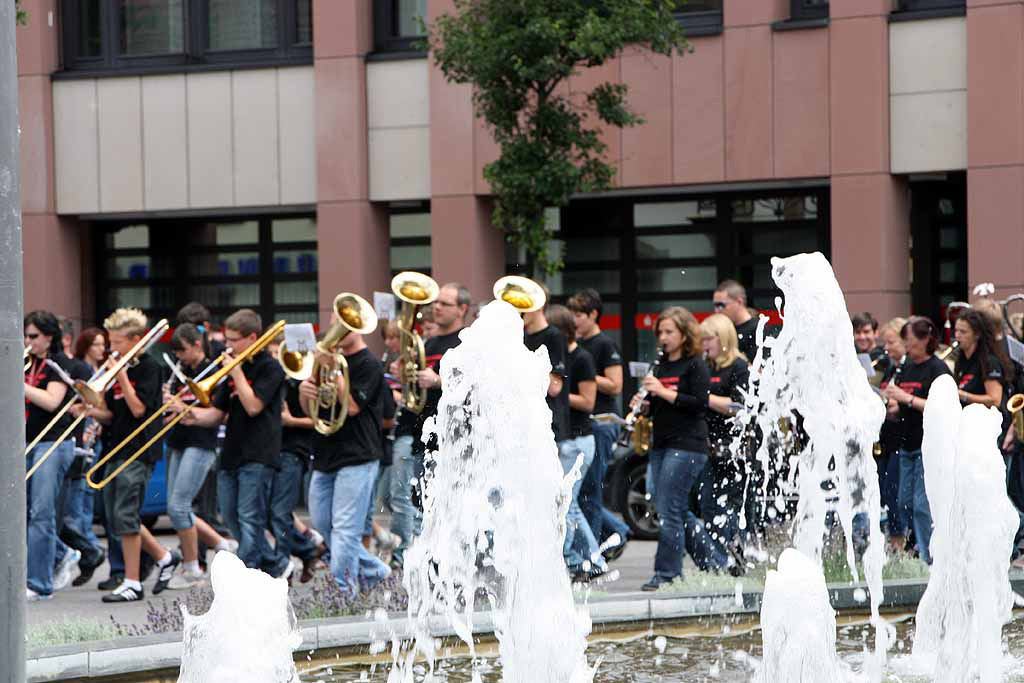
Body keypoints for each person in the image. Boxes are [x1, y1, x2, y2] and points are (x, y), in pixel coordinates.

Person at [78, 308, 180, 602]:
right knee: (115, 516)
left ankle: (133, 582)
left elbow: (139, 410)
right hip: (114, 448)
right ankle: (163, 557)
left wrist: (121, 375)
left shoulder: (149, 368)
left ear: (136, 340)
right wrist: (87, 409)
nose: (113, 349)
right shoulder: (118, 367)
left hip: (138, 450)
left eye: (119, 342)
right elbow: (111, 414)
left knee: (125, 513)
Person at [181, 309, 290, 579]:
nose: (228, 346)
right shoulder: (231, 371)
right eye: (226, 339)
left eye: (233, 340)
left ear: (252, 337)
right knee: (230, 515)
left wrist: (237, 371)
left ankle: (247, 575)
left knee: (249, 516)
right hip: (231, 451)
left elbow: (253, 406)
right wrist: (188, 415)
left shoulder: (271, 367)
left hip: (259, 452)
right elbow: (217, 413)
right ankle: (275, 564)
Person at [638, 307, 737, 591]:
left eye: (669, 332)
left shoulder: (695, 364)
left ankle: (668, 573)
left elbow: (699, 403)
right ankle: (717, 563)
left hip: (688, 444)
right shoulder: (659, 366)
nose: (663, 337)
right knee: (674, 507)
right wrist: (646, 403)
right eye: (661, 332)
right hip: (662, 441)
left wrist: (662, 391)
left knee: (670, 509)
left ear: (684, 334)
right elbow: (659, 404)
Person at [300, 310, 391, 594]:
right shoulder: (326, 363)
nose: (337, 330)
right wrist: (306, 390)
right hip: (325, 454)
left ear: (359, 329)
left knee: (345, 529)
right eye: (334, 324)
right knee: (323, 524)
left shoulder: (369, 365)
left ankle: (344, 592)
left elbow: (351, 406)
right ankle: (376, 570)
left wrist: (335, 370)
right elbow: (310, 411)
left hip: (358, 455)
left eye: (346, 325)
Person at [390, 283, 470, 567]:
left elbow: (474, 385)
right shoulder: (428, 344)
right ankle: (431, 565)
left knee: (455, 507)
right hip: (425, 435)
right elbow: (414, 395)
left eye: (444, 304)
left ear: (462, 309)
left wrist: (438, 381)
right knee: (424, 504)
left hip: (457, 438)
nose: (435, 307)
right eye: (435, 302)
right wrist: (405, 376)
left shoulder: (466, 342)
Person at [163, 324, 236, 590]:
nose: (179, 356)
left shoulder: (213, 370)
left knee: (179, 506)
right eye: (176, 351)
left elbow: (216, 409)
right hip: (178, 439)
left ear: (197, 344)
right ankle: (222, 544)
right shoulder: (180, 371)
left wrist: (182, 406)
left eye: (183, 350)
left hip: (202, 441)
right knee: (174, 507)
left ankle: (192, 567)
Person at [567, 289, 631, 560]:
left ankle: (591, 555)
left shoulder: (604, 344)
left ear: (594, 315)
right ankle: (616, 530)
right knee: (580, 492)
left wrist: (587, 375)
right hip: (583, 423)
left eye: (579, 314)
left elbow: (616, 385)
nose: (574, 319)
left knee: (590, 490)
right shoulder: (575, 344)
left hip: (602, 422)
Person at [883, 316, 951, 564]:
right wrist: (892, 405)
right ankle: (917, 547)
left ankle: (928, 557)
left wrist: (905, 398)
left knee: (923, 505)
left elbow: (940, 406)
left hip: (928, 447)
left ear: (925, 340)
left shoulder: (937, 369)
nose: (906, 346)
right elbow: (899, 403)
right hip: (907, 444)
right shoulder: (906, 367)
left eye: (910, 341)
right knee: (903, 503)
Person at [547, 304, 608, 581]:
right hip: (565, 438)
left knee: (566, 503)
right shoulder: (556, 356)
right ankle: (587, 560)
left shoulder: (581, 358)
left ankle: (582, 560)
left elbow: (588, 402)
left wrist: (554, 394)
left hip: (580, 439)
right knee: (565, 503)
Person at [24, 310, 81, 600]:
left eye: (33, 336)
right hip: (28, 442)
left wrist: (18, 384)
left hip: (54, 442)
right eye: (26, 335)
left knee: (41, 515)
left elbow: (52, 400)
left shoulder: (58, 363)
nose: (28, 341)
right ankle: (63, 553)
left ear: (49, 337)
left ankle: (39, 584)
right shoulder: (27, 362)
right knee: (20, 515)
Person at [265, 335, 326, 585]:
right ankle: (306, 549)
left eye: (275, 354)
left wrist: (291, 421)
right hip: (270, 450)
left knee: (279, 511)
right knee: (270, 512)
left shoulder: (303, 381)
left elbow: (320, 421)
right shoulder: (273, 381)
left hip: (295, 450)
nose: (273, 359)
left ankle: (281, 570)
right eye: (269, 354)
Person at [697, 313, 750, 550]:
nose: (705, 344)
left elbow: (740, 406)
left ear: (723, 338)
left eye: (709, 339)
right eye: (703, 340)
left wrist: (705, 398)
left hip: (733, 445)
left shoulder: (739, 366)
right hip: (706, 442)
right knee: (707, 501)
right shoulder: (704, 366)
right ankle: (719, 554)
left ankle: (735, 550)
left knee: (730, 501)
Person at [65, 327, 109, 586]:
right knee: (79, 496)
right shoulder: (81, 369)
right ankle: (89, 547)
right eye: (97, 344)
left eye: (103, 344)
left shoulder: (98, 371)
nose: (101, 349)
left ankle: (89, 548)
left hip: (94, 437)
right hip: (84, 437)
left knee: (84, 496)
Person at [522, 284, 570, 447]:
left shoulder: (554, 336)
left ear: (539, 305)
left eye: (524, 304)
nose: (520, 310)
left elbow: (555, 387)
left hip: (549, 429)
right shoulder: (520, 337)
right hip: (525, 427)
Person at [877, 317, 907, 547]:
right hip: (886, 438)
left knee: (896, 493)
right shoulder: (890, 367)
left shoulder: (909, 368)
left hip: (902, 439)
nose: (887, 348)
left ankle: (900, 540)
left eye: (892, 342)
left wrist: (897, 404)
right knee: (886, 493)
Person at [713, 280, 761, 362]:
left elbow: (761, 369)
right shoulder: (722, 329)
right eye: (715, 306)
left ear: (739, 302)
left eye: (721, 305)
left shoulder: (758, 329)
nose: (717, 311)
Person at [853, 312, 891, 377]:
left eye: (866, 332)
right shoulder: (851, 356)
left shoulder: (885, 357)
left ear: (876, 333)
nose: (862, 337)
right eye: (858, 332)